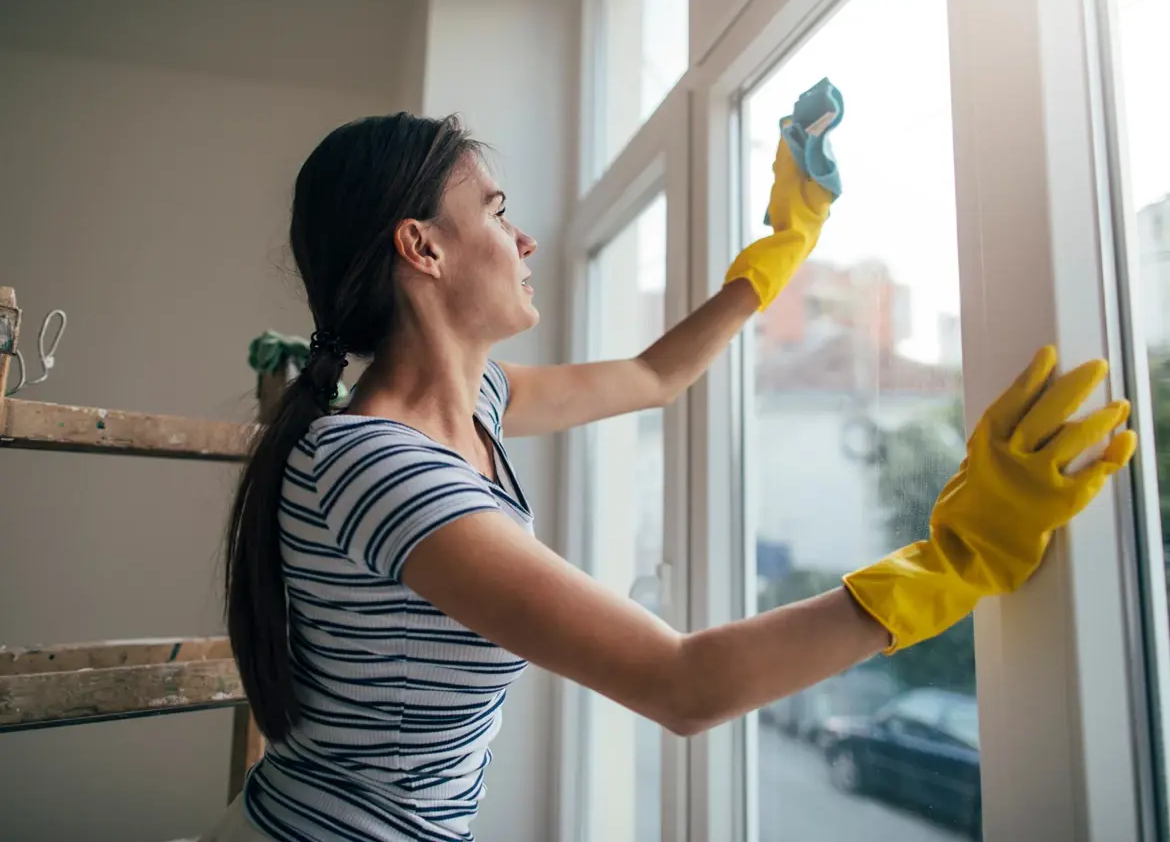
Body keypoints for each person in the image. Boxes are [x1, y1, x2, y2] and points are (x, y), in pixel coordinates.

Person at [204, 110, 1136, 842]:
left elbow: (655, 376)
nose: (522, 239)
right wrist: (957, 560)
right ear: (423, 247)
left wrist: (782, 248)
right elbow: (684, 684)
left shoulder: (474, 403)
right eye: (494, 210)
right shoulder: (381, 468)